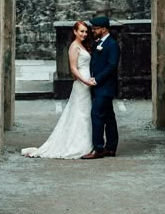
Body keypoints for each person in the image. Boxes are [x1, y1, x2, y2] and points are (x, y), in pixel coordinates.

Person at [21, 20, 93, 159]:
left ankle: (85, 143)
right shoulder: (74, 47)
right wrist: (85, 81)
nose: (84, 34)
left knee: (85, 113)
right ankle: (78, 145)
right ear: (75, 32)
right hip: (82, 83)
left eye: (85, 31)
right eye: (81, 31)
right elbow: (73, 68)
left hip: (87, 82)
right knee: (80, 114)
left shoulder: (82, 45)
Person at [81, 15, 120, 159]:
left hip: (105, 87)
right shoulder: (99, 42)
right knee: (109, 116)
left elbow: (111, 67)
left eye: (95, 28)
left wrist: (96, 80)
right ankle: (111, 148)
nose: (92, 30)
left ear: (104, 29)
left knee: (96, 115)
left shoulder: (112, 45)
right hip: (100, 87)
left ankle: (98, 149)